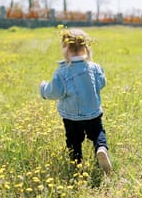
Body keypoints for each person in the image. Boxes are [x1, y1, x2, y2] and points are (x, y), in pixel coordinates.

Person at [40, 28, 112, 174]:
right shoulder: (95, 67)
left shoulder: (62, 71)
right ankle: (101, 148)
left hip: (71, 115)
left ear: (65, 48)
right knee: (98, 133)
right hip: (93, 112)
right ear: (86, 47)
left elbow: (54, 92)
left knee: (73, 140)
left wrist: (43, 89)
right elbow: (102, 83)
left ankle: (76, 166)